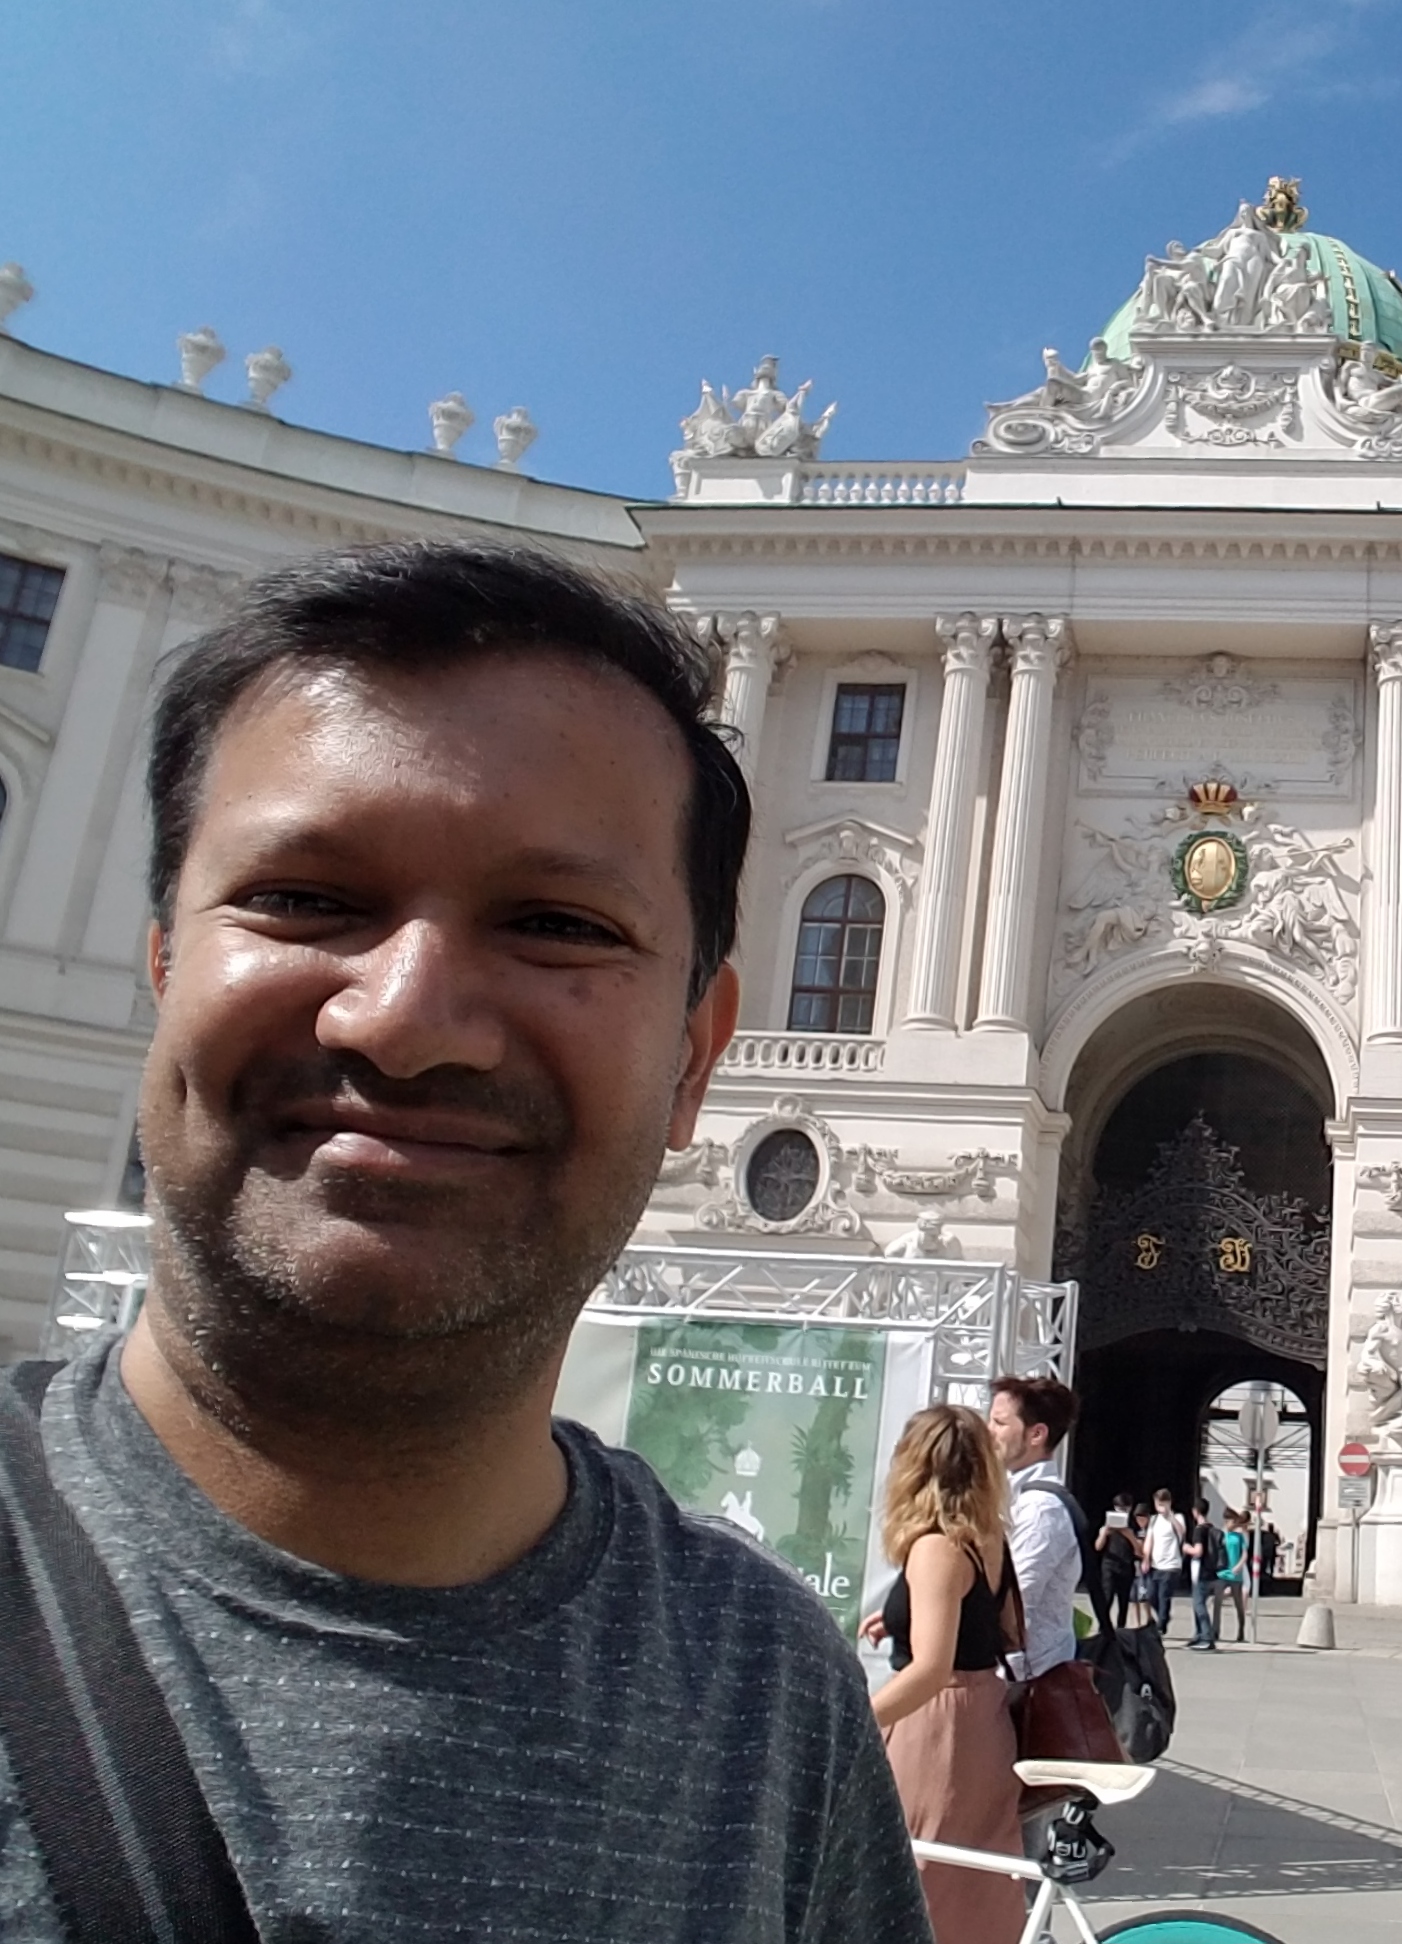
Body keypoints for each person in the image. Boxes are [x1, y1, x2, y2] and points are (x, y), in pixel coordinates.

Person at [0, 542, 929, 1939]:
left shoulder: (772, 1696)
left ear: (695, 1054)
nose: (405, 1019)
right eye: (306, 899)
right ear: (164, 965)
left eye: (554, 924)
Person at [872, 1404, 1026, 1944]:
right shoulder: (988, 1538)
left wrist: (856, 1721)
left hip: (936, 1726)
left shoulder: (936, 1546)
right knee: (976, 1877)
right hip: (985, 1718)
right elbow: (1008, 1631)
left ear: (915, 1465)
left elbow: (931, 1669)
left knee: (915, 1871)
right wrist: (904, 1616)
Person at [986, 1375, 1081, 1681]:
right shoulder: (1016, 1497)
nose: (988, 1431)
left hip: (1026, 1682)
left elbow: (1013, 1606)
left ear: (1036, 1434)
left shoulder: (1041, 1509)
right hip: (1015, 1674)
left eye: (999, 1423)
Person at [1144, 1487, 1187, 1633]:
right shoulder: (1154, 1519)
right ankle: (1164, 1616)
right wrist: (1146, 1558)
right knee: (1151, 1595)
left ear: (1169, 1502)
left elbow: (1182, 1532)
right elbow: (1149, 1540)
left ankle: (1161, 1626)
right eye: (1158, 1504)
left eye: (1163, 1504)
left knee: (1164, 1596)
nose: (1160, 1507)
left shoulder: (1178, 1518)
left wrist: (1170, 1515)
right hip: (1156, 1564)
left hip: (1171, 1565)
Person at [1185, 1496, 1226, 1651]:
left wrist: (1186, 1548)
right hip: (1212, 1571)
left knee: (1199, 1605)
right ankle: (1199, 1635)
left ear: (1195, 1512)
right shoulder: (1212, 1528)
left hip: (1201, 1571)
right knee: (1199, 1604)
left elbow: (1198, 1551)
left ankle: (1207, 1637)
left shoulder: (1199, 1530)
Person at [1095, 1492, 1139, 1622]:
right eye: (1119, 1508)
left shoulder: (1134, 1525)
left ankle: (1121, 1627)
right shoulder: (1107, 1525)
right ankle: (1103, 1626)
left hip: (1126, 1564)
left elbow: (1139, 1551)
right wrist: (1104, 1533)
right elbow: (1097, 1547)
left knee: (1123, 1600)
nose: (1122, 1511)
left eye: (1125, 1509)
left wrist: (1130, 1536)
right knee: (1107, 1596)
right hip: (1109, 1564)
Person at [1217, 1506, 1252, 1643]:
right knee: (1218, 1604)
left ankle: (1241, 1632)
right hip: (1222, 1572)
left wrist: (1239, 1565)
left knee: (1239, 1604)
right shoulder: (1221, 1535)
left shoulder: (1240, 1536)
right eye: (1232, 1521)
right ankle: (1215, 1631)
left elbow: (1245, 1553)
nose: (1234, 1524)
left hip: (1236, 1573)